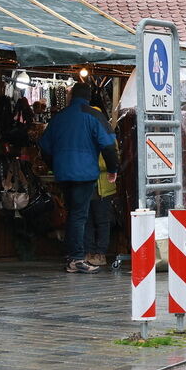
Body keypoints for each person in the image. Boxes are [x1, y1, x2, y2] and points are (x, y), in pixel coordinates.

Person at [39, 83, 119, 274]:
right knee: (79, 215)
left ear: (71, 96)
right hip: (84, 173)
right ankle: (76, 258)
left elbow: (44, 146)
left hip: (63, 173)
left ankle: (73, 255)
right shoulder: (94, 115)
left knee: (72, 213)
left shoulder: (59, 117)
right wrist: (112, 168)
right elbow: (108, 145)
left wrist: (54, 166)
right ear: (89, 97)